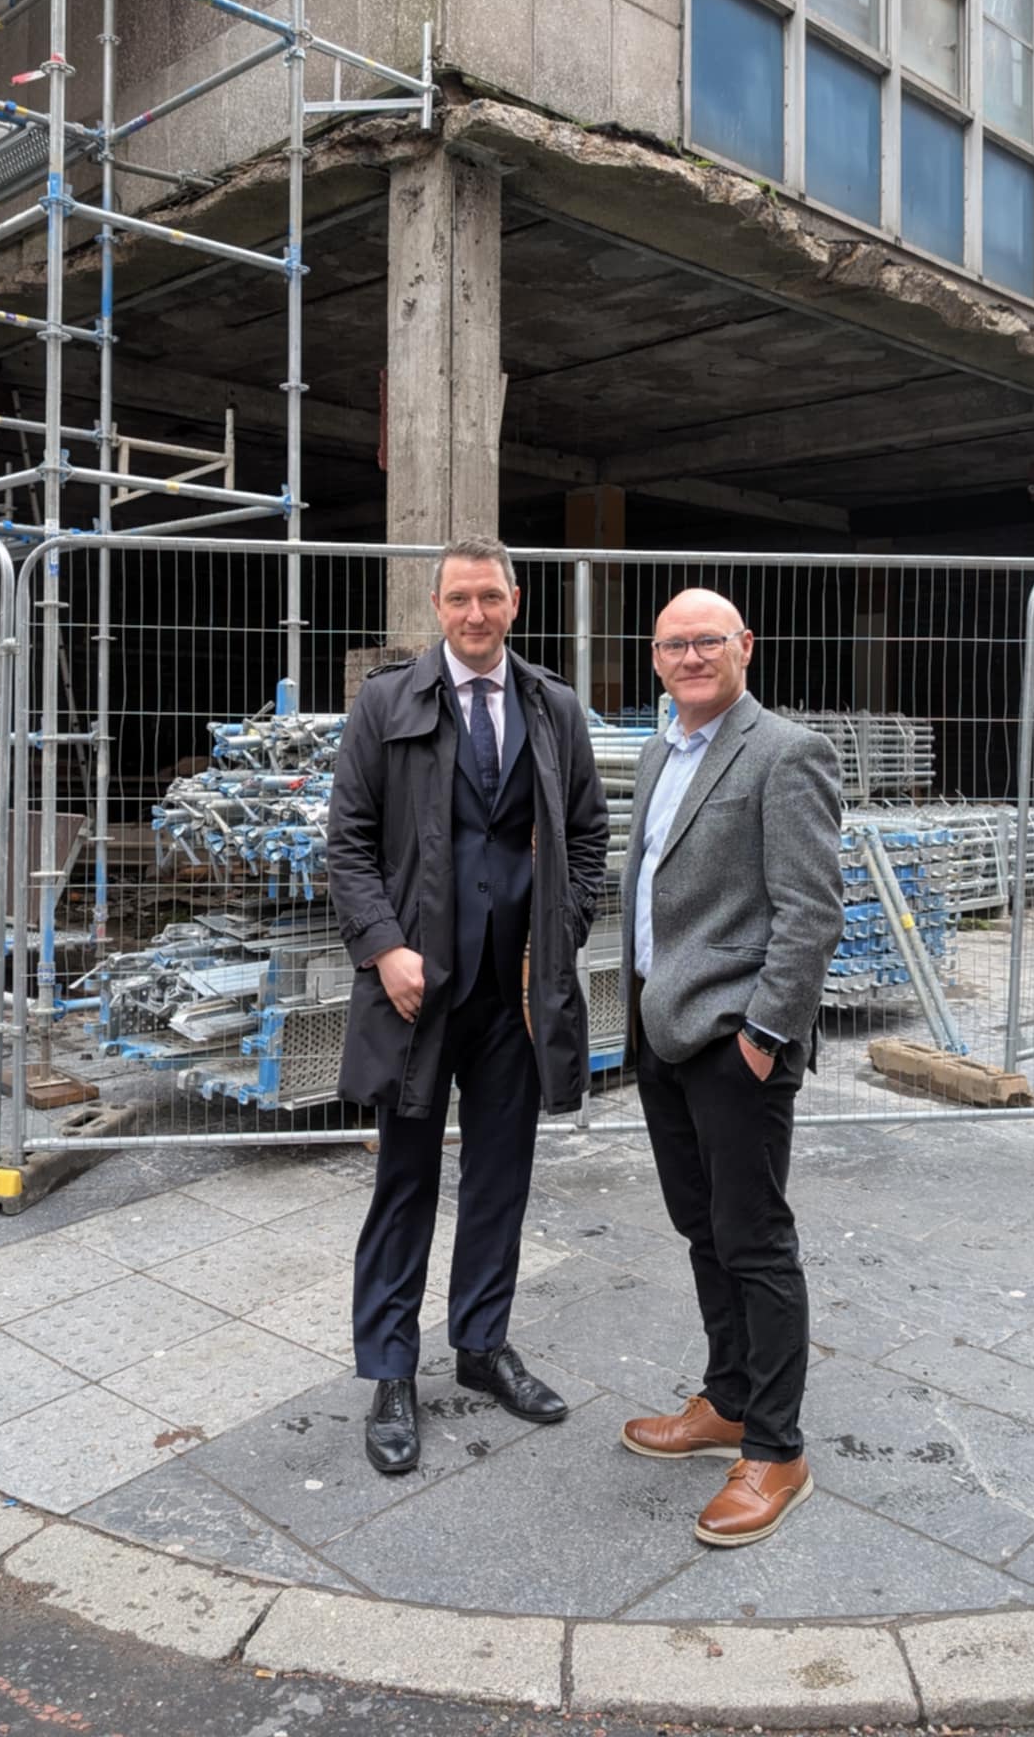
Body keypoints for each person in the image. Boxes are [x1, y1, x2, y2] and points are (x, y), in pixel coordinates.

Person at [326, 536, 609, 1475]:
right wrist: (384, 948)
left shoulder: (553, 708)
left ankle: (482, 1347)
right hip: (419, 990)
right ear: (437, 605)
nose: (476, 614)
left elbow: (588, 834)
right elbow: (350, 845)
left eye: (491, 597)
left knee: (500, 1179)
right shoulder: (387, 702)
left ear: (515, 602)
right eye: (460, 599)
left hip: (516, 995)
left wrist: (556, 939)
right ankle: (392, 1371)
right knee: (403, 1183)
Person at [619, 589, 843, 1547]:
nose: (691, 656)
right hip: (661, 1028)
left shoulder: (784, 752)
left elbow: (811, 911)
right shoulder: (661, 750)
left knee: (753, 1239)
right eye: (675, 644)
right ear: (657, 658)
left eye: (708, 640)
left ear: (745, 646)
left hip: (734, 1040)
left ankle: (779, 1450)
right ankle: (728, 1401)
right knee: (702, 1226)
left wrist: (763, 1033)